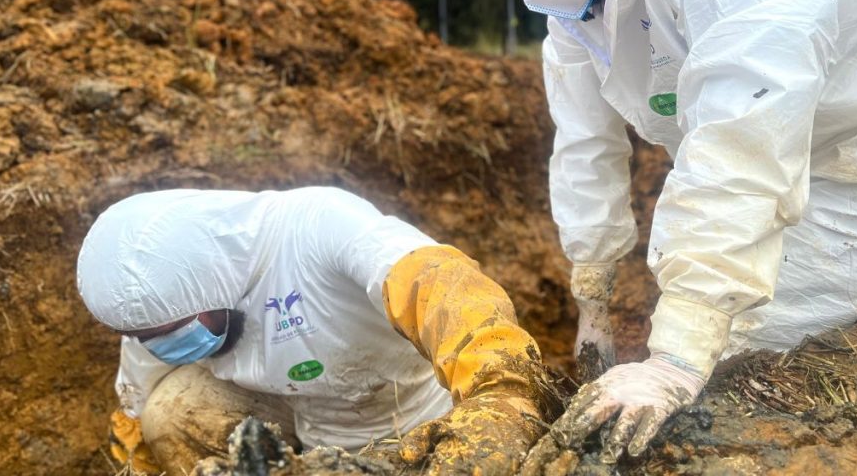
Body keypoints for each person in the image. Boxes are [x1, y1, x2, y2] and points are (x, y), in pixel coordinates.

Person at [470, 0, 857, 466]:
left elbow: (740, 139)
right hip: (791, 145)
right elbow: (584, 141)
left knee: (732, 357)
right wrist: (593, 291)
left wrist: (678, 354)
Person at [77, 187, 559, 475]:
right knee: (171, 412)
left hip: (407, 420)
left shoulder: (317, 227)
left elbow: (438, 283)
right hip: (295, 418)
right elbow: (136, 403)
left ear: (214, 279)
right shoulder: (159, 306)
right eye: (147, 335)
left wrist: (500, 392)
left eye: (178, 329)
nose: (165, 344)